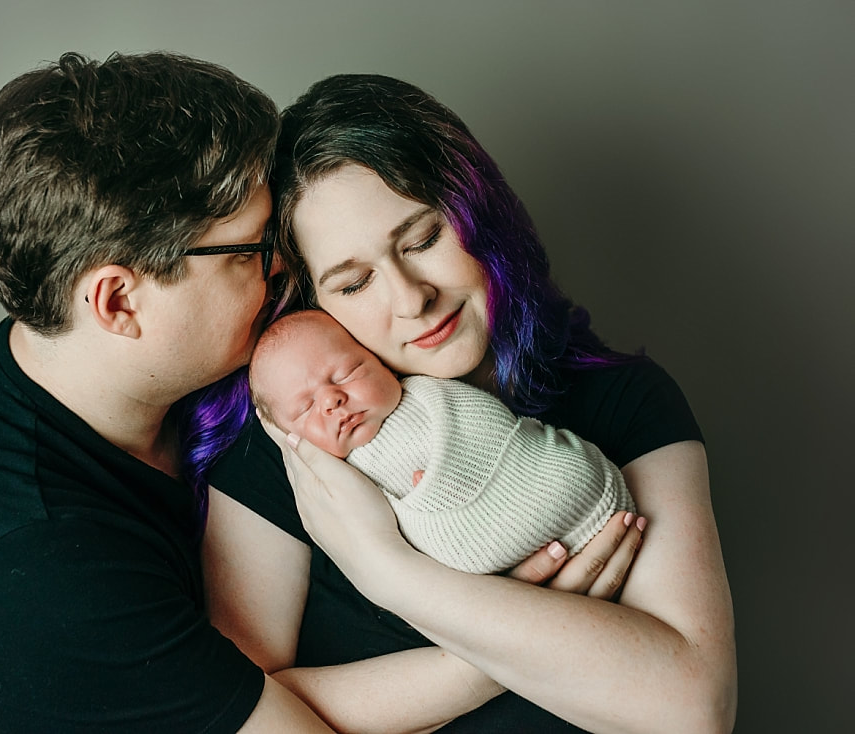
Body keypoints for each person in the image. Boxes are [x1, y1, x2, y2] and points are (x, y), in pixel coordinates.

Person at [204, 74, 737, 733]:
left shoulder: (625, 403)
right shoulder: (292, 444)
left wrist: (392, 574)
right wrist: (501, 652)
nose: (409, 298)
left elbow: (691, 708)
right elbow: (237, 707)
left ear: (480, 212)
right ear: (316, 303)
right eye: (354, 281)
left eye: (423, 239)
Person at [0, 51, 346, 733]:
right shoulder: (38, 573)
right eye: (247, 250)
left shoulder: (87, 370)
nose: (279, 264)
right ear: (118, 300)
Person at [249, 309, 636, 574]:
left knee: (570, 479)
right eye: (305, 409)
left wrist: (455, 468)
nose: (332, 400)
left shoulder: (429, 394)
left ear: (382, 362)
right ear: (290, 437)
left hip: (552, 483)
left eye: (347, 372)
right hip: (481, 557)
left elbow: (488, 425)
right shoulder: (333, 481)